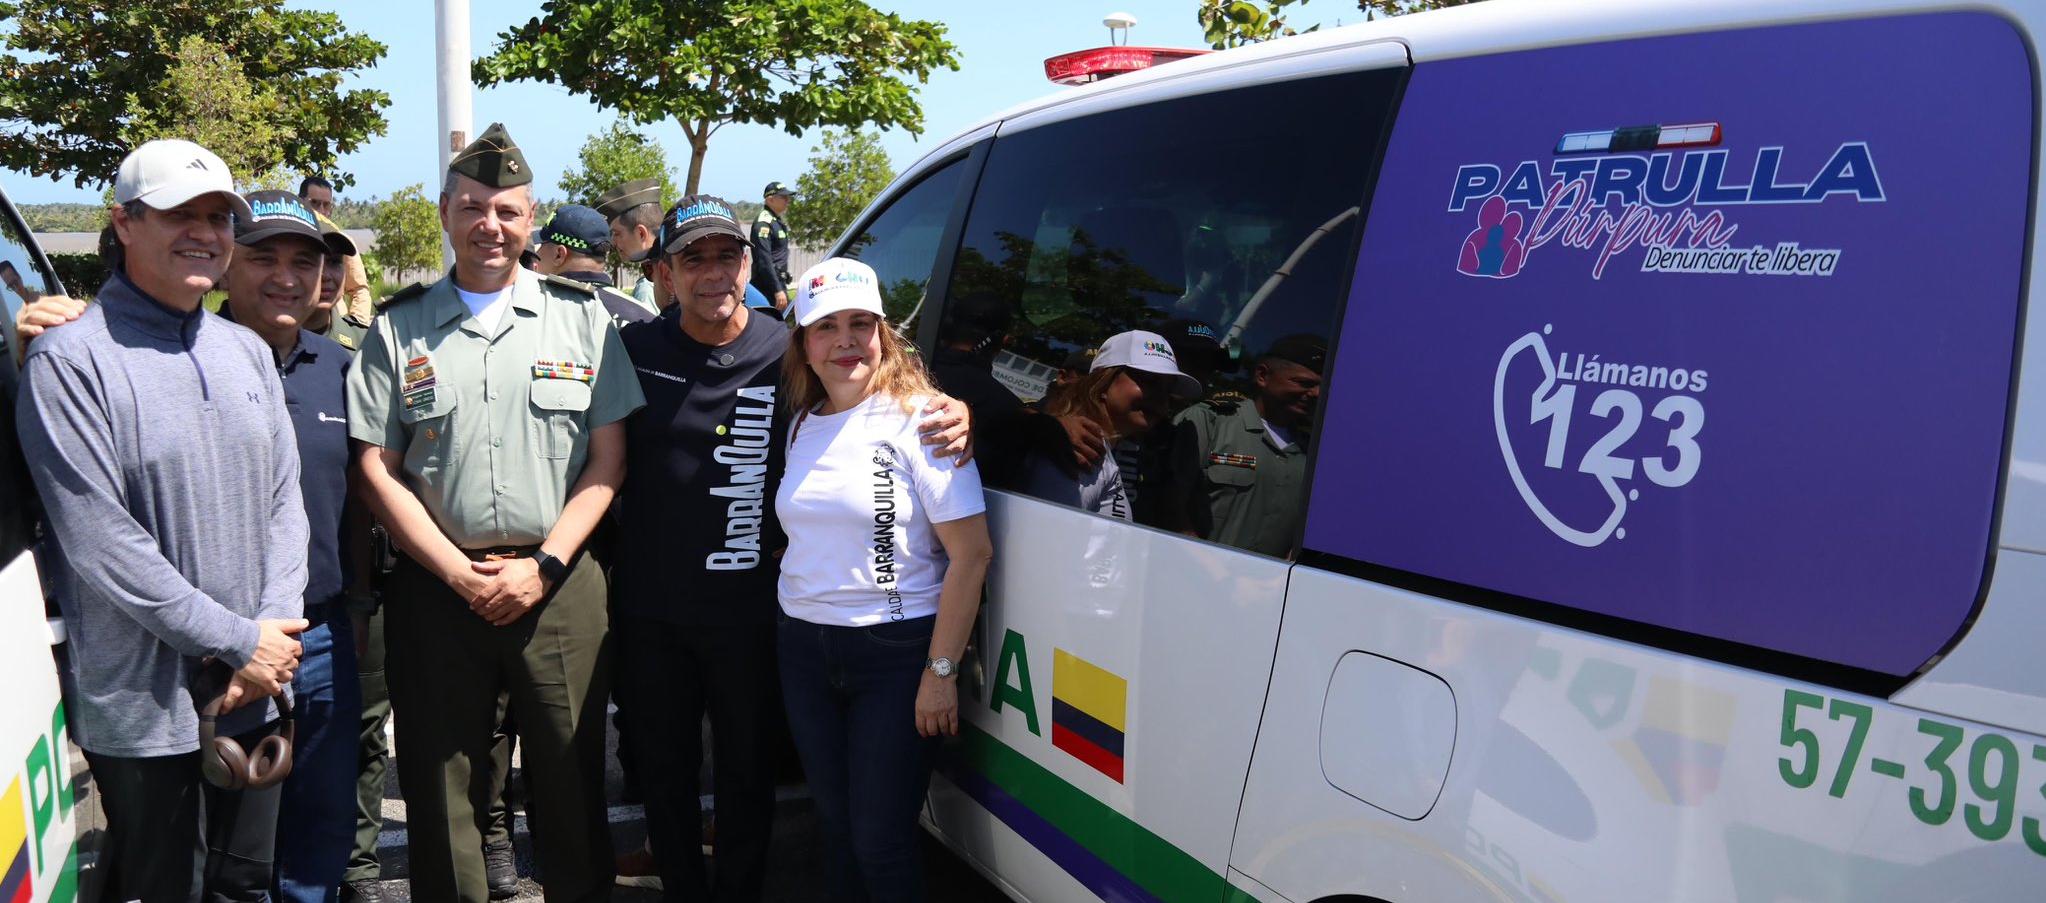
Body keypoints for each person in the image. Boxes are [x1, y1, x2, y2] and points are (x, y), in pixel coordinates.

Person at [612, 203, 974, 900]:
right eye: (695, 259)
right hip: (652, 610)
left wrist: (959, 415)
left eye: (728, 257)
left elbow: (876, 395)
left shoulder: (787, 352)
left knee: (750, 774)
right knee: (666, 769)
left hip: (754, 614)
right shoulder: (635, 352)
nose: (714, 273)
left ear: (750, 265)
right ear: (665, 273)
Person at [346, 123, 645, 903]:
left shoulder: (583, 322)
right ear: (445, 211)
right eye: (474, 207)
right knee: (443, 784)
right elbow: (375, 468)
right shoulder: (396, 325)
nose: (490, 224)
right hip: (436, 584)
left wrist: (542, 565)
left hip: (560, 581)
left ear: (531, 218)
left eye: (507, 211)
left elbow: (608, 462)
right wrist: (454, 571)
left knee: (573, 777)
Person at [15, 138, 309, 901]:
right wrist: (239, 639)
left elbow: (286, 501)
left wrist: (273, 632)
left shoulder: (245, 350)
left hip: (256, 688)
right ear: (123, 222)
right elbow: (100, 542)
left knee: (246, 886)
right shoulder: (70, 361)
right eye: (181, 212)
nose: (205, 231)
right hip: (147, 712)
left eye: (218, 216)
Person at [774, 257, 992, 903]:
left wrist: (940, 672)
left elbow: (972, 554)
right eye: (826, 327)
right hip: (804, 647)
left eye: (860, 323)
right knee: (837, 826)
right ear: (805, 345)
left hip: (894, 654)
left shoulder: (925, 421)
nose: (845, 340)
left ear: (884, 335)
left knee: (881, 839)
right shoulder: (801, 423)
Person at [214, 190, 368, 903]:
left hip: (325, 632)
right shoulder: (184, 359)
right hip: (222, 644)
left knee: (324, 819)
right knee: (232, 844)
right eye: (264, 257)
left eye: (303, 261)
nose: (286, 276)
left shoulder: (343, 369)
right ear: (224, 264)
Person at [1163, 334, 1325, 558]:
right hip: (1185, 577)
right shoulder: (1210, 421)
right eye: (1304, 383)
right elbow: (1168, 505)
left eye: (1321, 386)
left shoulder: (1315, 452)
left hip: (1265, 590)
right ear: (1262, 375)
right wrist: (1219, 574)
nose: (1316, 393)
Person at [1023, 329, 1200, 521]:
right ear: (1103, 382)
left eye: (1168, 389)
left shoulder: (1099, 449)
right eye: (1148, 380)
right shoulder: (1078, 450)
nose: (1160, 397)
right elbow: (1045, 536)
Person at [532, 204, 656, 328]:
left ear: (559, 255)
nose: (536, 254)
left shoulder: (539, 314)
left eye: (542, 245)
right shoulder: (648, 319)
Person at [301, 175, 377, 325]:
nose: (321, 210)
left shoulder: (343, 242)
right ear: (301, 202)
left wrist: (354, 325)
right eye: (315, 203)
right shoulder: (291, 239)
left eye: (326, 205)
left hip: (334, 329)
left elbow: (359, 289)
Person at [594, 178, 665, 314]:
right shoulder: (673, 274)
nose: (613, 242)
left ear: (641, 233)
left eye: (617, 233)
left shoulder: (647, 289)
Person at [748, 182, 794, 311]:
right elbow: (764, 260)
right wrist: (777, 290)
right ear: (770, 199)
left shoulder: (775, 221)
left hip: (778, 282)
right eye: (783, 197)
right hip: (767, 288)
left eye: (788, 197)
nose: (787, 200)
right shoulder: (763, 223)